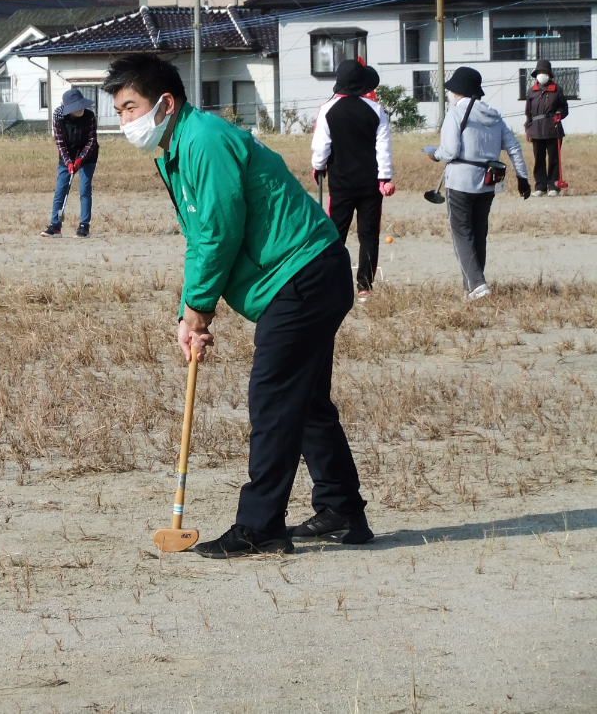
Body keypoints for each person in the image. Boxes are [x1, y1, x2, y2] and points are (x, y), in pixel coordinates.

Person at [103, 53, 371, 558]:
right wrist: (191, 312)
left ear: (165, 102)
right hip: (301, 275)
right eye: (118, 112)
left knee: (273, 398)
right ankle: (341, 509)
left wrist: (198, 309)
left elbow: (217, 232)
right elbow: (199, 238)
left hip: (304, 273)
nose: (125, 122)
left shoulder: (202, 140)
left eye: (130, 107)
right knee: (305, 399)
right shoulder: (176, 149)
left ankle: (261, 526)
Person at [429, 67, 531, 300]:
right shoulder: (494, 115)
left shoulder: (455, 114)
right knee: (479, 232)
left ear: (456, 91)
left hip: (461, 181)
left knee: (462, 233)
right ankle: (472, 286)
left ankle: (477, 285)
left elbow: (450, 151)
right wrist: (522, 177)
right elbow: (514, 146)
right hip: (488, 182)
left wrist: (434, 153)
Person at [310, 59, 394, 301]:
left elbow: (321, 147)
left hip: (340, 183)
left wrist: (318, 168)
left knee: (335, 234)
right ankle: (365, 287)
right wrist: (385, 177)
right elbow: (383, 148)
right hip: (371, 184)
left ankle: (332, 282)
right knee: (369, 234)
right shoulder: (375, 110)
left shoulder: (327, 109)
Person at [41, 88, 99, 238]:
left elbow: (92, 141)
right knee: (61, 189)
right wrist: (69, 162)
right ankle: (55, 226)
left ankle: (84, 227)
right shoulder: (59, 116)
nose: (79, 110)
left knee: (84, 189)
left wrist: (81, 159)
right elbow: (60, 143)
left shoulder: (90, 116)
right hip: (67, 154)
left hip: (88, 155)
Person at [523, 59, 568, 197]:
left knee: (554, 158)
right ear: (536, 75)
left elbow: (564, 108)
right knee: (539, 159)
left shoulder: (557, 90)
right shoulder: (531, 92)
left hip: (553, 129)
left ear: (549, 74)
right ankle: (540, 187)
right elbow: (528, 112)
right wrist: (527, 128)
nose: (542, 75)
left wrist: (559, 113)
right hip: (536, 129)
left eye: (544, 72)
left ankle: (554, 186)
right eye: (540, 72)